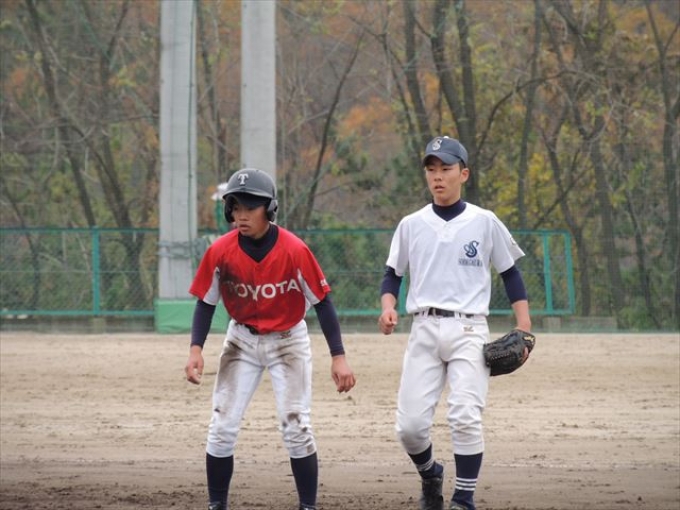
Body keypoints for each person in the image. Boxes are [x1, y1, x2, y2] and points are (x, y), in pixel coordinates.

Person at [185, 167, 356, 510]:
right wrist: (195, 350)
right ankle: (217, 504)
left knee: (296, 426)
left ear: (270, 209)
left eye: (251, 207)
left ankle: (308, 506)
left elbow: (323, 303)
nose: (241, 215)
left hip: (288, 340)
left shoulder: (294, 250)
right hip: (241, 340)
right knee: (221, 425)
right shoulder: (220, 251)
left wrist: (338, 356)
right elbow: (206, 303)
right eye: (236, 207)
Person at [377, 136, 532, 510]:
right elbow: (392, 274)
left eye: (445, 168)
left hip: (469, 329)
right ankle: (430, 473)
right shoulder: (411, 224)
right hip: (424, 329)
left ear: (463, 174)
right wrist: (387, 306)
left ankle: (464, 499)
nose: (437, 176)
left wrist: (524, 327)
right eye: (431, 169)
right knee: (410, 429)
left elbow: (510, 273)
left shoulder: (484, 221)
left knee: (465, 416)